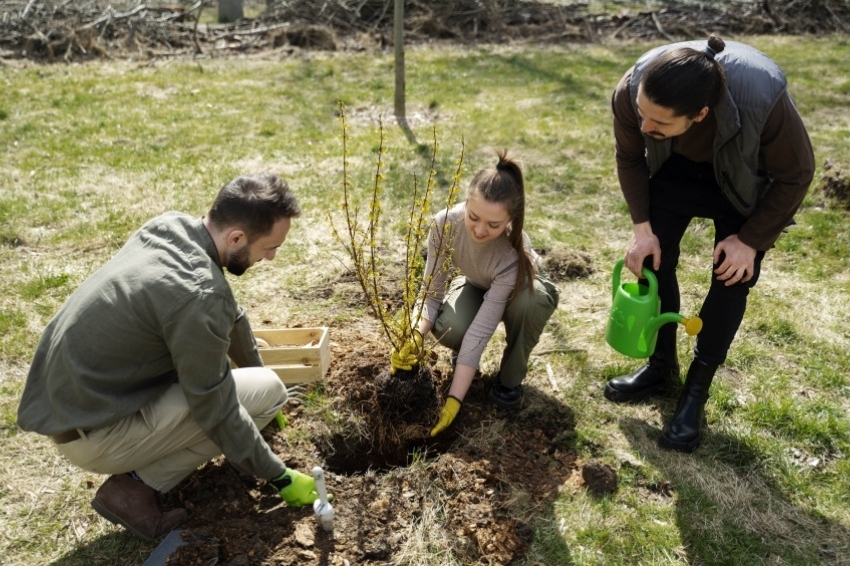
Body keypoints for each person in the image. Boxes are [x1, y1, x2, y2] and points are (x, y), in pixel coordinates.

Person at [17, 173, 329, 541]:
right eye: (270, 247)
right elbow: (215, 406)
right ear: (237, 238)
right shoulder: (199, 295)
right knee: (262, 394)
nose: (272, 257)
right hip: (95, 436)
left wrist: (254, 368)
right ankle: (133, 489)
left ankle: (135, 476)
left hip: (76, 404)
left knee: (260, 387)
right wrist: (278, 474)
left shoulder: (171, 228)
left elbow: (234, 315)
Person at [606, 35, 815, 452]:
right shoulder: (633, 91)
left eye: (659, 124)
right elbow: (630, 156)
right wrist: (642, 229)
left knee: (732, 277)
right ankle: (661, 366)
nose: (645, 127)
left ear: (700, 114)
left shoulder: (763, 99)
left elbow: (797, 173)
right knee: (652, 261)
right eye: (642, 115)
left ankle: (695, 393)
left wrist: (751, 242)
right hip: (676, 169)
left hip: (740, 176)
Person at [410, 151, 560, 436]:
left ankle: (509, 380)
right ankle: (465, 362)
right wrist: (414, 335)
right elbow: (430, 295)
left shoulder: (512, 253)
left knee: (530, 304)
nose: (480, 230)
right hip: (480, 281)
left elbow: (481, 332)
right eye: (473, 217)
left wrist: (454, 401)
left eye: (493, 225)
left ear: (510, 221)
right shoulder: (445, 225)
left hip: (525, 288)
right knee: (452, 329)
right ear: (466, 203)